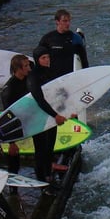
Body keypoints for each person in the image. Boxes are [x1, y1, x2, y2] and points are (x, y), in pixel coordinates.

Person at [27, 46, 71, 185]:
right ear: (37, 59)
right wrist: (55, 115)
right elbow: (39, 100)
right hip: (38, 117)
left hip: (51, 115)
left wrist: (68, 111)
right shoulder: (33, 77)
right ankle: (41, 180)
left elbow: (58, 95)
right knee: (40, 150)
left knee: (50, 147)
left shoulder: (50, 72)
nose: (47, 60)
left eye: (48, 57)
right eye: (43, 58)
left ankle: (48, 175)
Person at [0, 53, 32, 178]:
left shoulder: (28, 79)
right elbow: (7, 116)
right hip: (14, 123)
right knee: (14, 156)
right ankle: (13, 182)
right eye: (26, 66)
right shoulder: (9, 90)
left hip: (29, 119)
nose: (29, 68)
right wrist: (11, 142)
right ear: (18, 69)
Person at [38, 9, 89, 77]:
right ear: (57, 21)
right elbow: (39, 58)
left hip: (70, 76)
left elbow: (84, 61)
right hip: (53, 77)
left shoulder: (76, 38)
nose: (68, 23)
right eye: (64, 21)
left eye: (69, 21)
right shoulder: (47, 39)